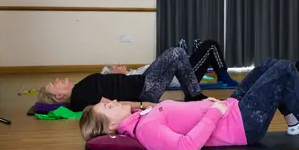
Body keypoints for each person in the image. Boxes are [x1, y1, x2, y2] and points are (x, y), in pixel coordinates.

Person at [79, 58, 299, 150]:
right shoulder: (146, 131)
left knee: (267, 65)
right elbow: (187, 146)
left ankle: (293, 124)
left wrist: (206, 106)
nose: (113, 101)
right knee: (284, 69)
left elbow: (178, 114)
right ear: (112, 126)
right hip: (241, 126)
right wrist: (212, 112)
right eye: (109, 108)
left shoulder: (139, 118)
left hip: (229, 109)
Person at [37, 47, 210, 112]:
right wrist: (145, 106)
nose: (57, 79)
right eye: (54, 84)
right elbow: (114, 104)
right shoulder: (80, 96)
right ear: (59, 96)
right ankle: (194, 97)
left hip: (141, 82)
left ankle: (192, 96)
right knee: (176, 53)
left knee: (176, 58)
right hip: (144, 90)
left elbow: (110, 88)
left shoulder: (79, 90)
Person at [102, 39, 239, 88]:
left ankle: (185, 53)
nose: (118, 65)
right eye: (115, 68)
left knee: (207, 46)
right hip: (184, 77)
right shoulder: (133, 78)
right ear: (115, 76)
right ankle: (223, 76)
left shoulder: (134, 72)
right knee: (211, 46)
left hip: (180, 69)